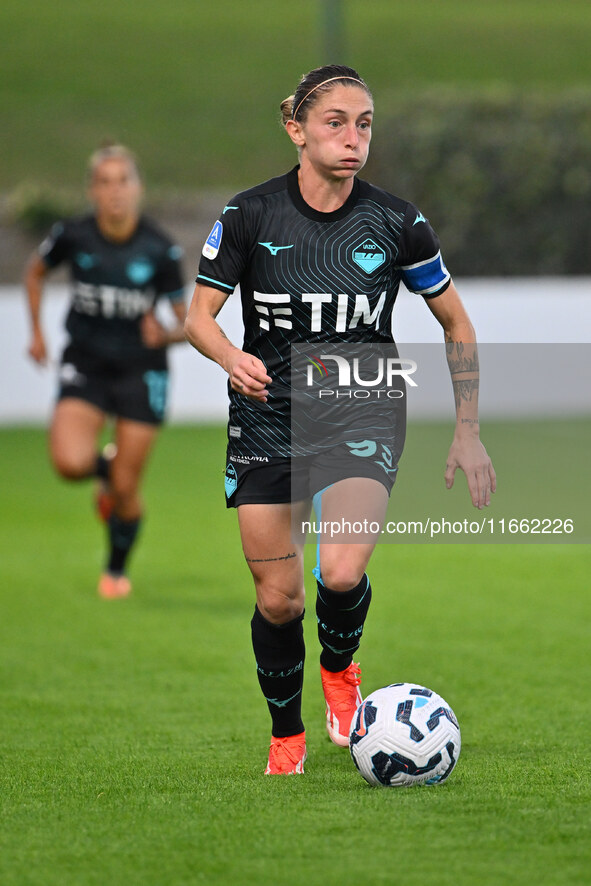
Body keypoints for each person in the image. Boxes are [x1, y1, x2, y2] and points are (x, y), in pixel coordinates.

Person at [184, 65, 496, 774]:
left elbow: (455, 323)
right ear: (296, 129)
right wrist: (231, 356)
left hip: (364, 404)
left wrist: (467, 427)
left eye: (364, 124)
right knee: (278, 598)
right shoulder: (248, 216)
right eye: (335, 122)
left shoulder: (395, 220)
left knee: (342, 573)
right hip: (267, 416)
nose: (353, 137)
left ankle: (340, 669)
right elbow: (197, 318)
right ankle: (285, 733)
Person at [24, 143, 186, 599]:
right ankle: (102, 469)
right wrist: (36, 333)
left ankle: (115, 570)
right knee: (69, 463)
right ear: (92, 190)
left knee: (127, 490)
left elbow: (188, 323)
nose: (115, 191)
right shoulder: (73, 234)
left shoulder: (160, 248)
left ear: (138, 188)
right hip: (87, 364)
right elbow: (35, 273)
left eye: (124, 181)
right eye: (105, 182)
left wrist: (166, 335)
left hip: (141, 372)